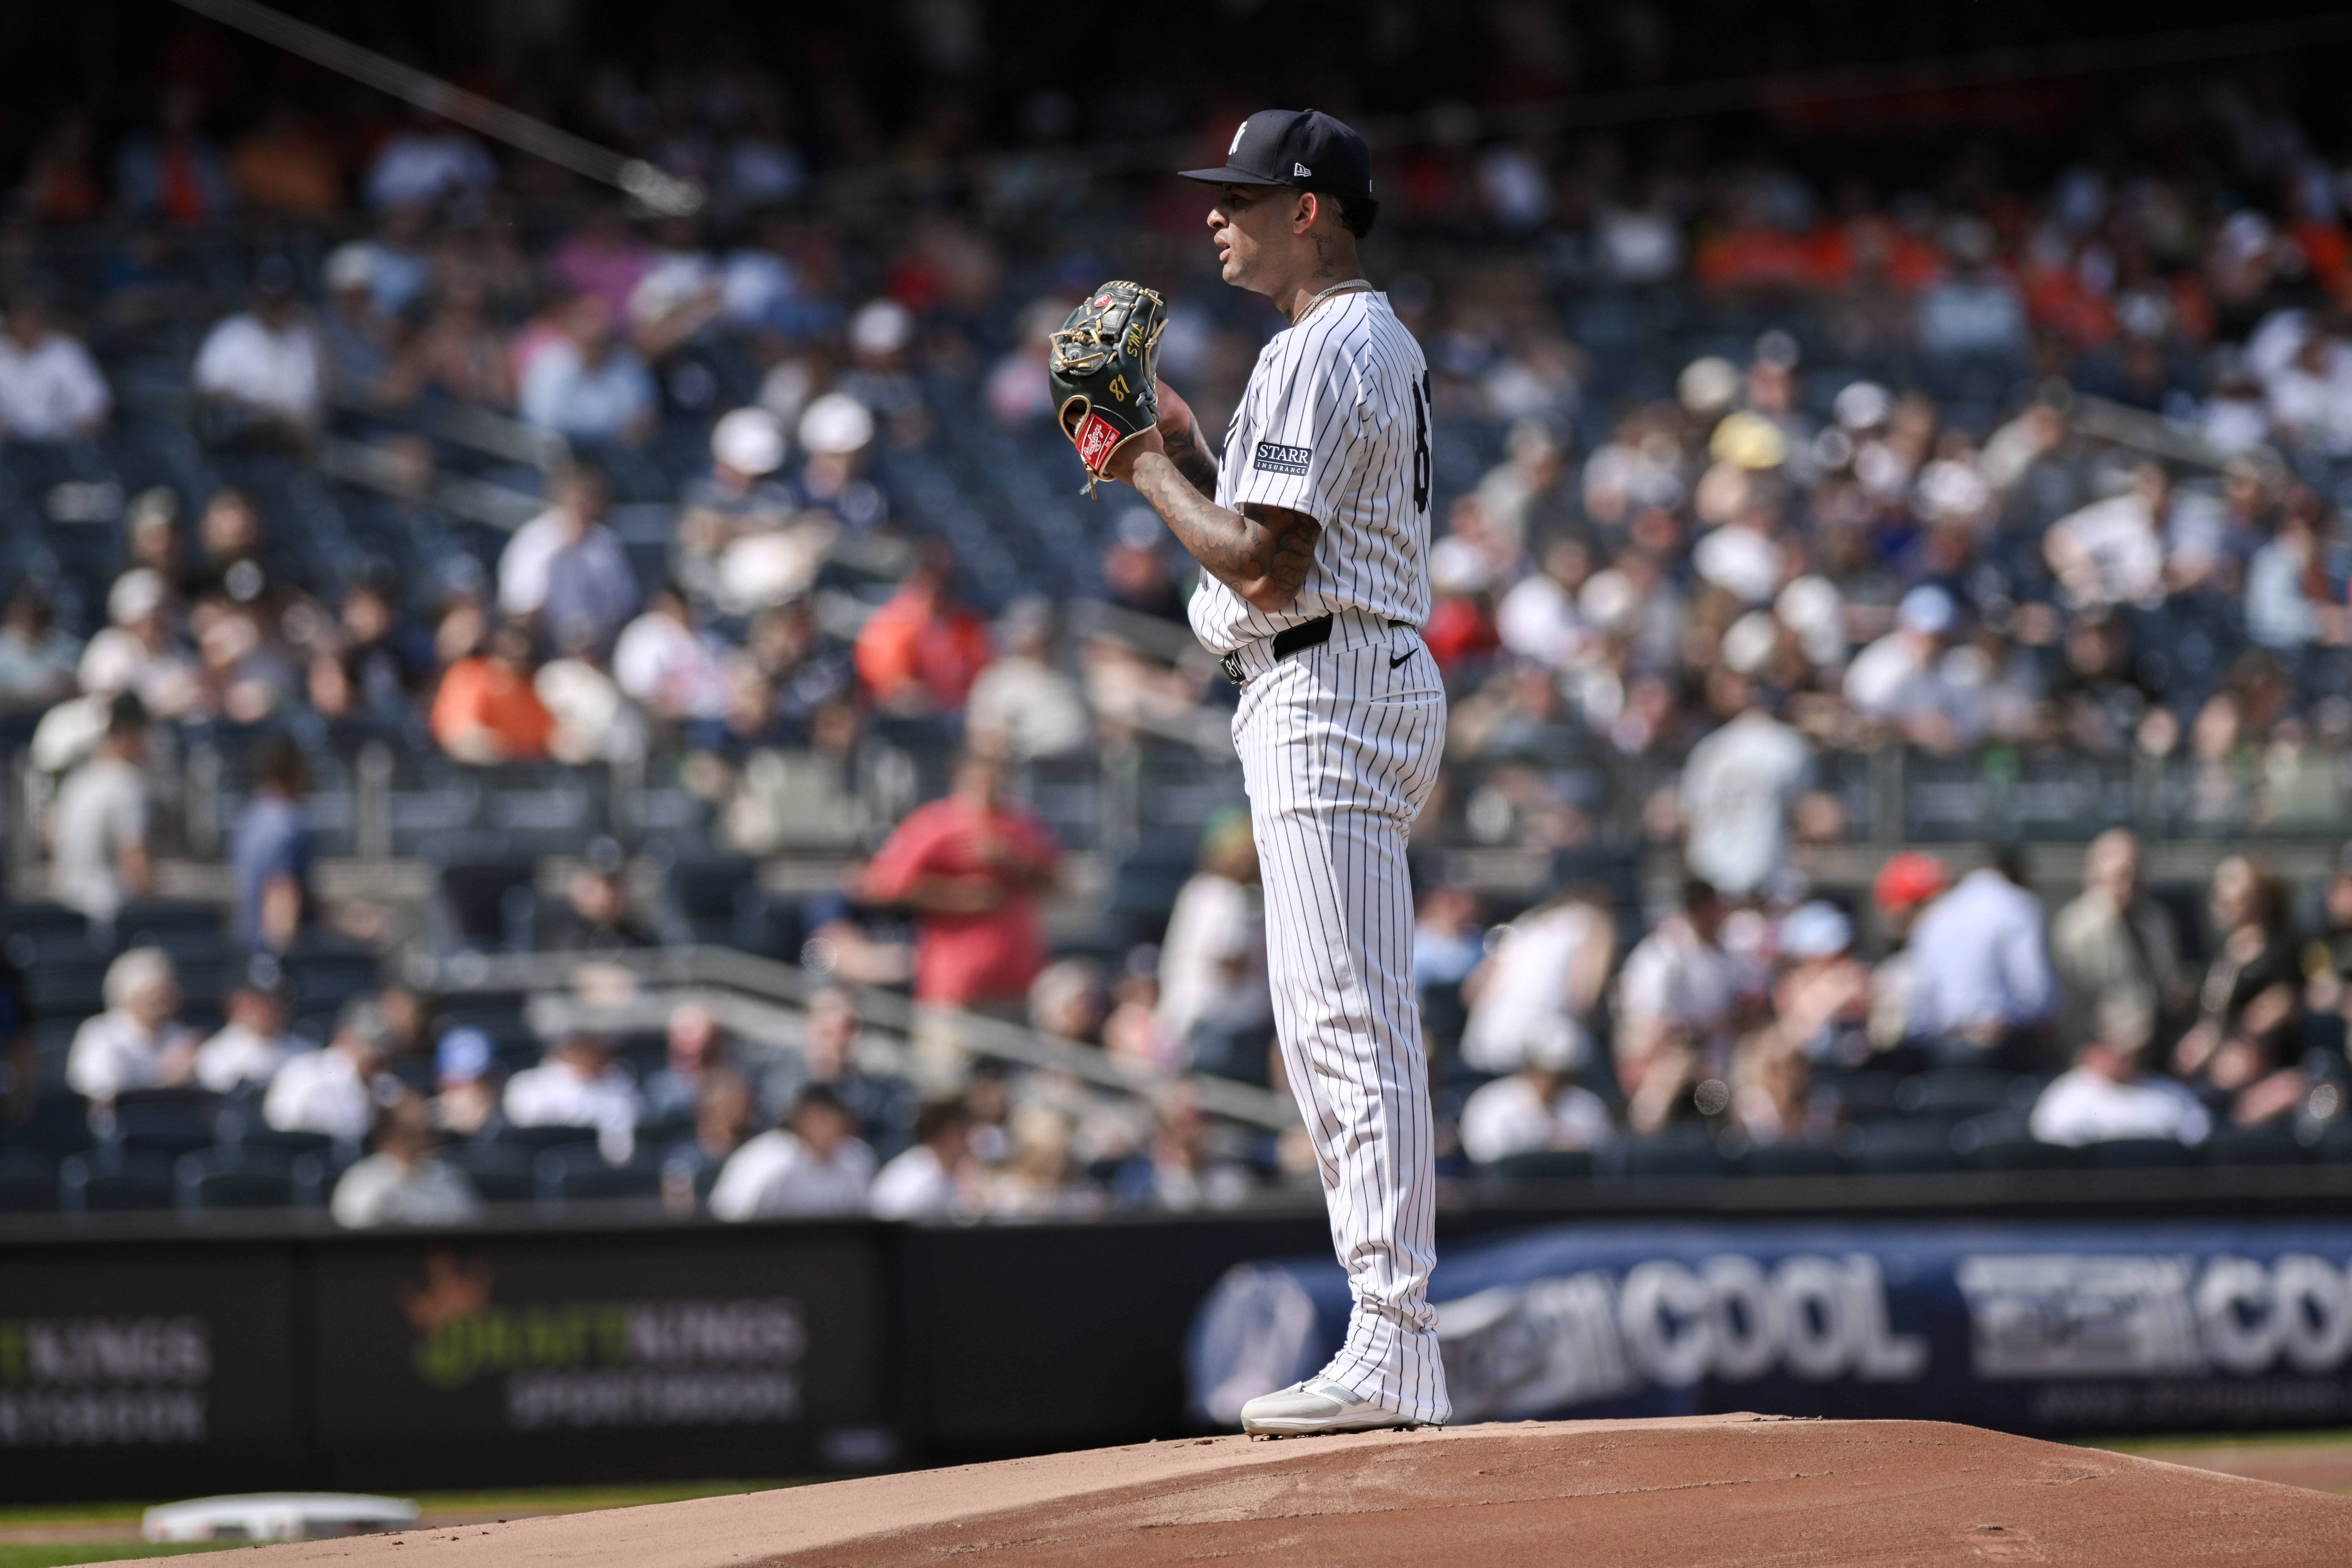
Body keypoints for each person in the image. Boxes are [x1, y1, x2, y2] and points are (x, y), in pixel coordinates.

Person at [1103, 110, 1449, 1434]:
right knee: (1327, 1023)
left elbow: (1260, 567)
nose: (1215, 215)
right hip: (1333, 671)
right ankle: (1389, 1330)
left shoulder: (1326, 343)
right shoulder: (1355, 342)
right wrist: (1188, 452)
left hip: (1329, 676)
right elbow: (1260, 540)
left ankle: (1394, 1336)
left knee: (1346, 1021)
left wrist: (1139, 466)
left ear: (1309, 209)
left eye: (1242, 196)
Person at [861, 750, 1060, 1013]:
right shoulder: (934, 824)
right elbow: (877, 884)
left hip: (1018, 989)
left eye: (997, 780)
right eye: (980, 780)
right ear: (959, 781)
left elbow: (1057, 881)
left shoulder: (1021, 823)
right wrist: (956, 897)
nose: (989, 788)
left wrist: (1012, 861)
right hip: (954, 991)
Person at [1904, 849, 2059, 1065]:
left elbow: (1919, 1009)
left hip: (1940, 1056)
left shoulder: (1936, 913)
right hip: (2000, 1054)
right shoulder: (2018, 904)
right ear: (2016, 876)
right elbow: (2037, 997)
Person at [1614, 878, 1739, 1132]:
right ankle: (1644, 1139)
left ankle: (1739, 1148)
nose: (1721, 915)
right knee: (1677, 1067)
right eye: (1714, 908)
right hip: (1666, 1051)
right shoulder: (1662, 953)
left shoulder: (1725, 952)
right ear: (1698, 909)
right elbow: (1650, 1024)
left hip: (1715, 1051)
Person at [1459, 883, 1618, 1077]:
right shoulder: (1595, 921)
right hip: (1545, 1042)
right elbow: (1584, 997)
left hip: (1486, 1040)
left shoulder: (1526, 921)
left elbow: (1471, 991)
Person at [2049, 829, 2185, 1052]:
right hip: (2098, 1051)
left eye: (2137, 874)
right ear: (2095, 876)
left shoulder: (2156, 919)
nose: (2130, 885)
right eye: (2121, 875)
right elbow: (2073, 1007)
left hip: (2157, 1044)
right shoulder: (2077, 928)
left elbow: (2169, 982)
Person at [1679, 686, 1812, 900]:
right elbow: (1803, 812)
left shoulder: (1709, 747)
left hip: (1724, 872)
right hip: (1755, 873)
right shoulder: (1788, 746)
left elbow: (1692, 817)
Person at [2029, 1000, 2211, 1149]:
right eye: (2121, 1052)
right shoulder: (2068, 1094)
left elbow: (2199, 1135)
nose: (2131, 1059)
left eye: (2137, 1051)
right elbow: (2050, 1142)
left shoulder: (2169, 1092)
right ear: (2098, 1048)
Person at [496, 466, 638, 655]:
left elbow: (624, 603)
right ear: (559, 501)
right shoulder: (533, 539)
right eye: (578, 502)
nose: (584, 510)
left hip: (597, 649)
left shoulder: (605, 543)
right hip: (541, 647)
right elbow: (518, 607)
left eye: (591, 502)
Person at [192, 257, 323, 444]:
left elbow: (325, 391)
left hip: (298, 442)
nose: (275, 309)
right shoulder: (231, 333)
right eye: (269, 300)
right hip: (245, 441)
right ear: (253, 296)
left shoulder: (302, 336)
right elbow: (209, 393)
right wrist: (271, 416)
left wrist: (315, 327)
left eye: (282, 301)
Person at [51, 693, 153, 924]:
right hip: (112, 918)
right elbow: (135, 865)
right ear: (128, 733)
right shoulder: (128, 783)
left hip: (69, 916)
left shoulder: (76, 783)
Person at [1457, 1017, 1615, 1165]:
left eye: (1567, 1077)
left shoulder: (1590, 1108)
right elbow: (1486, 1161)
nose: (1558, 1083)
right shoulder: (1490, 1104)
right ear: (1529, 1067)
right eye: (1550, 1073)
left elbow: (1601, 1159)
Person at [708, 1085, 878, 1219]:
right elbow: (729, 1221)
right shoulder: (768, 1162)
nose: (837, 1125)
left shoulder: (858, 1159)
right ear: (803, 1119)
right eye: (824, 1119)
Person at [964, 597, 1090, 761]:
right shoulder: (999, 678)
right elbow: (983, 738)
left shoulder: (1077, 672)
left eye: (1047, 635)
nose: (1042, 642)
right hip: (1026, 771)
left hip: (1081, 769)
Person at [66, 947, 197, 1103]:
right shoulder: (99, 1034)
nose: (166, 1003)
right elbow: (103, 1095)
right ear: (132, 996)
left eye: (169, 994)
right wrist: (165, 1079)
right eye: (156, 996)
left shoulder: (179, 1035)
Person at [331, 1096, 485, 1228]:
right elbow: (352, 1238)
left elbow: (473, 1229)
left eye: (426, 1132)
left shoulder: (450, 1178)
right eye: (411, 1133)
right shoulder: (360, 1180)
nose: (422, 1139)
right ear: (387, 1134)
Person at [265, 999, 392, 1145]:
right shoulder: (304, 1074)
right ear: (344, 1038)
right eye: (369, 1044)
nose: (375, 1053)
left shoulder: (386, 1083)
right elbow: (281, 1131)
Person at [502, 1032, 640, 1165]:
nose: (588, 1057)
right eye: (581, 1050)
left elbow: (620, 1153)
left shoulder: (619, 1086)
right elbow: (524, 1121)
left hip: (592, 1170)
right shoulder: (528, 1084)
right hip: (536, 1163)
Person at [229, 732, 311, 953]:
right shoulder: (289, 825)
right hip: (272, 956)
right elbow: (282, 897)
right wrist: (281, 961)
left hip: (247, 948)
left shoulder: (248, 820)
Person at [430, 620, 555, 762]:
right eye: (507, 652)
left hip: (527, 777)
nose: (516, 655)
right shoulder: (470, 674)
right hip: (474, 778)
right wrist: (514, 749)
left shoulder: (531, 686)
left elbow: (552, 739)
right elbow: (459, 738)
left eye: (522, 652)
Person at [0, 293, 109, 441]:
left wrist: (87, 424)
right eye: (20, 319)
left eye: (31, 320)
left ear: (43, 322)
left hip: (62, 442)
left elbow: (95, 400)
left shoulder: (67, 350)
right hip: (9, 444)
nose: (26, 325)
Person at [194, 957, 304, 1094]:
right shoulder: (213, 1056)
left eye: (277, 999)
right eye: (258, 1001)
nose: (269, 1009)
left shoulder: (305, 1051)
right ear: (237, 1002)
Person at [869, 1098, 973, 1219]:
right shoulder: (918, 1175)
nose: (970, 1141)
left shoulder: (947, 1172)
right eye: (965, 1132)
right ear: (949, 1132)